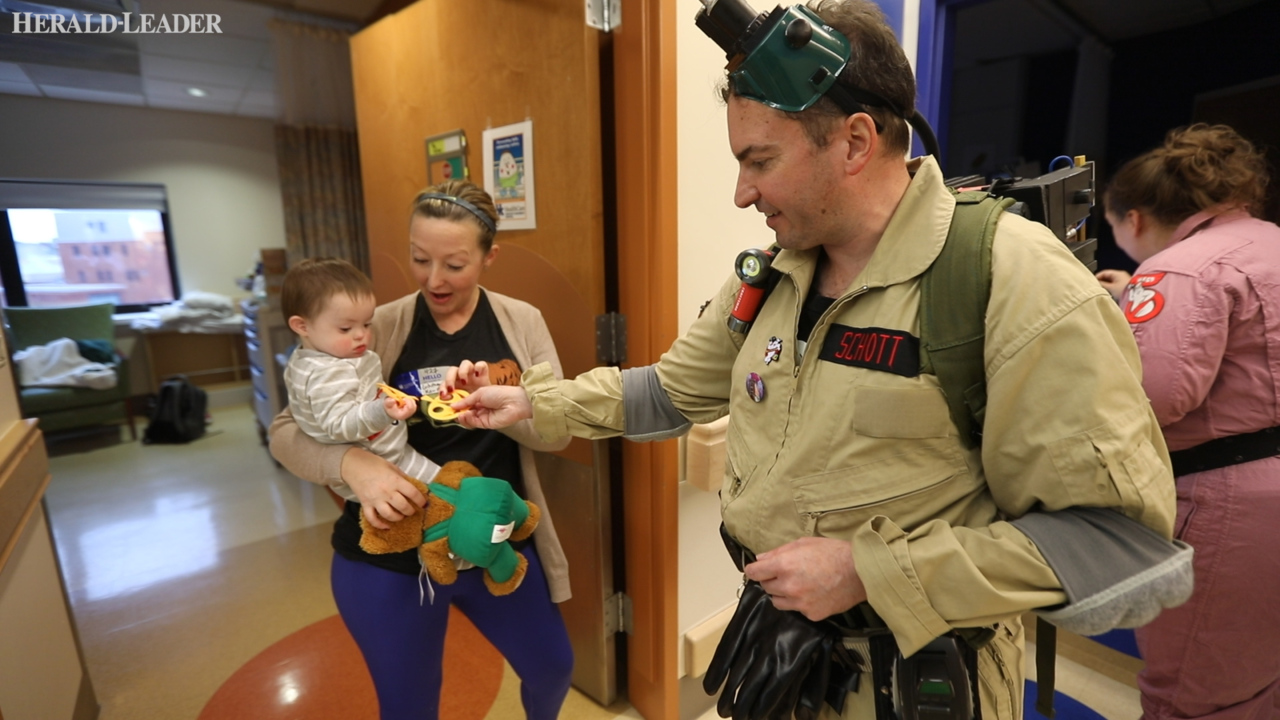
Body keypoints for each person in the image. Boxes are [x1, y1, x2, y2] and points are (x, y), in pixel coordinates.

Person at [448, 0, 1176, 717]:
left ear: (855, 143)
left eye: (760, 160)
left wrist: (870, 571)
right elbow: (668, 395)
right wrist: (537, 402)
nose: (742, 193)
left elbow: (1121, 548)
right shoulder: (771, 274)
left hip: (914, 682)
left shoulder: (1011, 280)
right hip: (780, 656)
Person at [268, 180, 574, 720]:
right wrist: (350, 463)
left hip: (492, 535)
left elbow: (559, 434)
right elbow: (286, 433)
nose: (435, 280)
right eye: (419, 258)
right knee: (410, 705)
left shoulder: (520, 321)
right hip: (390, 556)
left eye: (455, 264)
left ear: (489, 257)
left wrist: (509, 407)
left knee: (553, 668)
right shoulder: (373, 327)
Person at [1097, 124, 1280, 720]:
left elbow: (1156, 396)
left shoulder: (1177, 269)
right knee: (1261, 681)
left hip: (1230, 502)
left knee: (1193, 694)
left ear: (1136, 218)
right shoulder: (1266, 241)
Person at [280, 258, 439, 494]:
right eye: (346, 329)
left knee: (449, 487)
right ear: (302, 326)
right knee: (440, 499)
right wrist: (382, 410)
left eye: (367, 324)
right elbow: (339, 424)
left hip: (392, 451)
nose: (361, 336)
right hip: (379, 463)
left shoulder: (314, 356)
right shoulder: (328, 372)